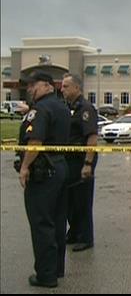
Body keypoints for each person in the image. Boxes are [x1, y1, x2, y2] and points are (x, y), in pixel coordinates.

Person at [16, 71, 70, 288]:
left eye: (33, 85)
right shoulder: (61, 106)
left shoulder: (40, 109)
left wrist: (25, 167)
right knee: (57, 220)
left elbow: (35, 141)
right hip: (60, 167)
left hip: (43, 170)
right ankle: (56, 268)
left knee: (41, 222)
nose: (30, 89)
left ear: (48, 85)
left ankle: (46, 275)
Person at [60, 73, 98, 252]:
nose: (62, 89)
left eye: (66, 86)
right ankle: (74, 232)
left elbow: (91, 137)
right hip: (68, 160)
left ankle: (85, 237)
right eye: (62, 86)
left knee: (82, 200)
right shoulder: (67, 107)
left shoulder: (86, 108)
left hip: (81, 159)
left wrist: (88, 163)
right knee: (70, 200)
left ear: (77, 88)